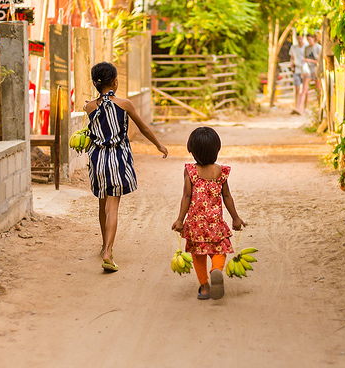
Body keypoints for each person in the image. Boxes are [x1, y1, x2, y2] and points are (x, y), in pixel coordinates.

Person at [85, 62, 168, 272]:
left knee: (102, 205)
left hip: (97, 160)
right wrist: (159, 145)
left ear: (96, 83)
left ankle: (104, 245)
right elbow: (144, 128)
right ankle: (108, 253)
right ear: (114, 81)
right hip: (117, 159)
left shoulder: (89, 107)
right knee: (112, 207)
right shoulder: (125, 104)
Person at [171, 127, 245, 300]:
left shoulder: (191, 171)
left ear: (192, 151)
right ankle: (216, 270)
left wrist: (180, 220)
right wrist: (235, 217)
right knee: (219, 250)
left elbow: (187, 196)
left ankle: (204, 287)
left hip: (196, 225)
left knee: (198, 255)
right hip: (215, 224)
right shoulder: (221, 172)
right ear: (216, 149)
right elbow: (227, 196)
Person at [299, 33, 323, 112]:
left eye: (310, 39)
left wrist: (309, 60)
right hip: (308, 71)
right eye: (308, 40)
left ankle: (320, 107)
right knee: (304, 89)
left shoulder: (318, 48)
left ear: (314, 38)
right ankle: (301, 108)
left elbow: (320, 61)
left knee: (318, 89)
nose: (309, 41)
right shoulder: (307, 48)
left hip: (316, 71)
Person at [288, 33, 308, 114]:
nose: (299, 40)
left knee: (305, 90)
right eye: (298, 39)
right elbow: (292, 58)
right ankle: (297, 107)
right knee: (297, 89)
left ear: (303, 38)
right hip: (296, 70)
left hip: (305, 70)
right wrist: (291, 65)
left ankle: (305, 107)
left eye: (300, 38)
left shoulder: (306, 47)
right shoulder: (294, 47)